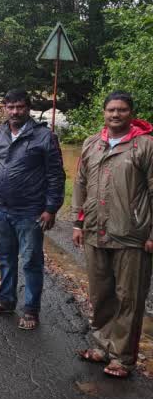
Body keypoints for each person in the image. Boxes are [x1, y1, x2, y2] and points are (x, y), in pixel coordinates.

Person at [71, 91, 153, 378]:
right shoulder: (92, 144)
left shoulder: (145, 146)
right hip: (95, 231)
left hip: (132, 234)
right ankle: (102, 346)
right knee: (101, 293)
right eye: (111, 110)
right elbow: (80, 184)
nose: (115, 115)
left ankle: (123, 357)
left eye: (122, 110)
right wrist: (77, 222)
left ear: (131, 113)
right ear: (103, 112)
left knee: (128, 297)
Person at [0, 88, 65, 330]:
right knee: (6, 259)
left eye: (20, 107)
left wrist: (51, 207)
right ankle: (6, 301)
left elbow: (56, 175)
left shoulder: (44, 137)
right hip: (2, 209)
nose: (15, 111)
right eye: (11, 107)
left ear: (28, 108)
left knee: (31, 261)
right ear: (5, 109)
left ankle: (31, 311)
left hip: (30, 212)